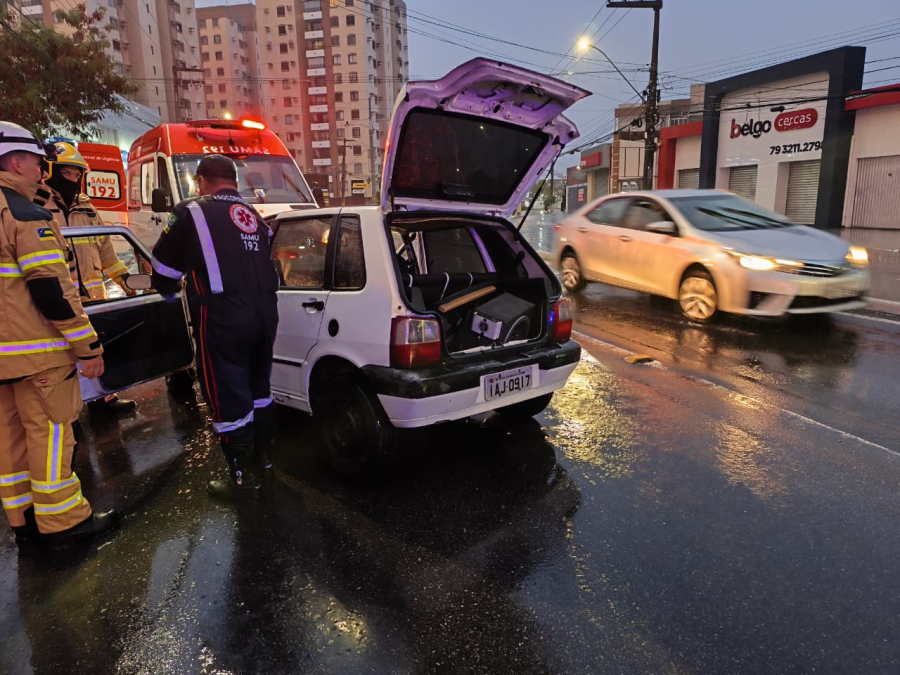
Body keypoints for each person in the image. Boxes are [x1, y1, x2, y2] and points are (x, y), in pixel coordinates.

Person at [0, 121, 118, 549]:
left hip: (5, 360)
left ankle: (24, 521)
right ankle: (64, 524)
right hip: (38, 355)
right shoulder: (26, 215)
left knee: (9, 439)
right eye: (36, 162)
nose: (42, 171)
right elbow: (51, 288)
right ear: (15, 162)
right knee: (50, 435)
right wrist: (87, 345)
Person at [151, 154, 279, 500]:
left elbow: (163, 270)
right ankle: (265, 463)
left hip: (223, 317)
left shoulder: (190, 210)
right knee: (259, 389)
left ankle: (241, 479)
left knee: (226, 393)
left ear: (201, 179)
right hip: (266, 315)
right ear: (234, 181)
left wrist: (165, 295)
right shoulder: (256, 217)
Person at [45, 142, 137, 416]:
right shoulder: (37, 208)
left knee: (95, 350)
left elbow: (106, 252)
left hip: (93, 298)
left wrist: (127, 283)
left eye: (77, 175)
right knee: (62, 357)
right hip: (60, 299)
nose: (73, 180)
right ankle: (69, 411)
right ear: (51, 172)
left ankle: (102, 400)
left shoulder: (86, 208)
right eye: (68, 174)